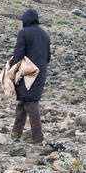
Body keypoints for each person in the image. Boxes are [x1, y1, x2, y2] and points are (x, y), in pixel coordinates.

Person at [9, 8, 51, 142]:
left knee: (31, 103)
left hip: (27, 73)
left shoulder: (24, 33)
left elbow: (18, 55)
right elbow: (48, 57)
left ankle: (38, 137)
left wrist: (12, 70)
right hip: (41, 73)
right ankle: (16, 133)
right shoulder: (45, 34)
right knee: (24, 101)